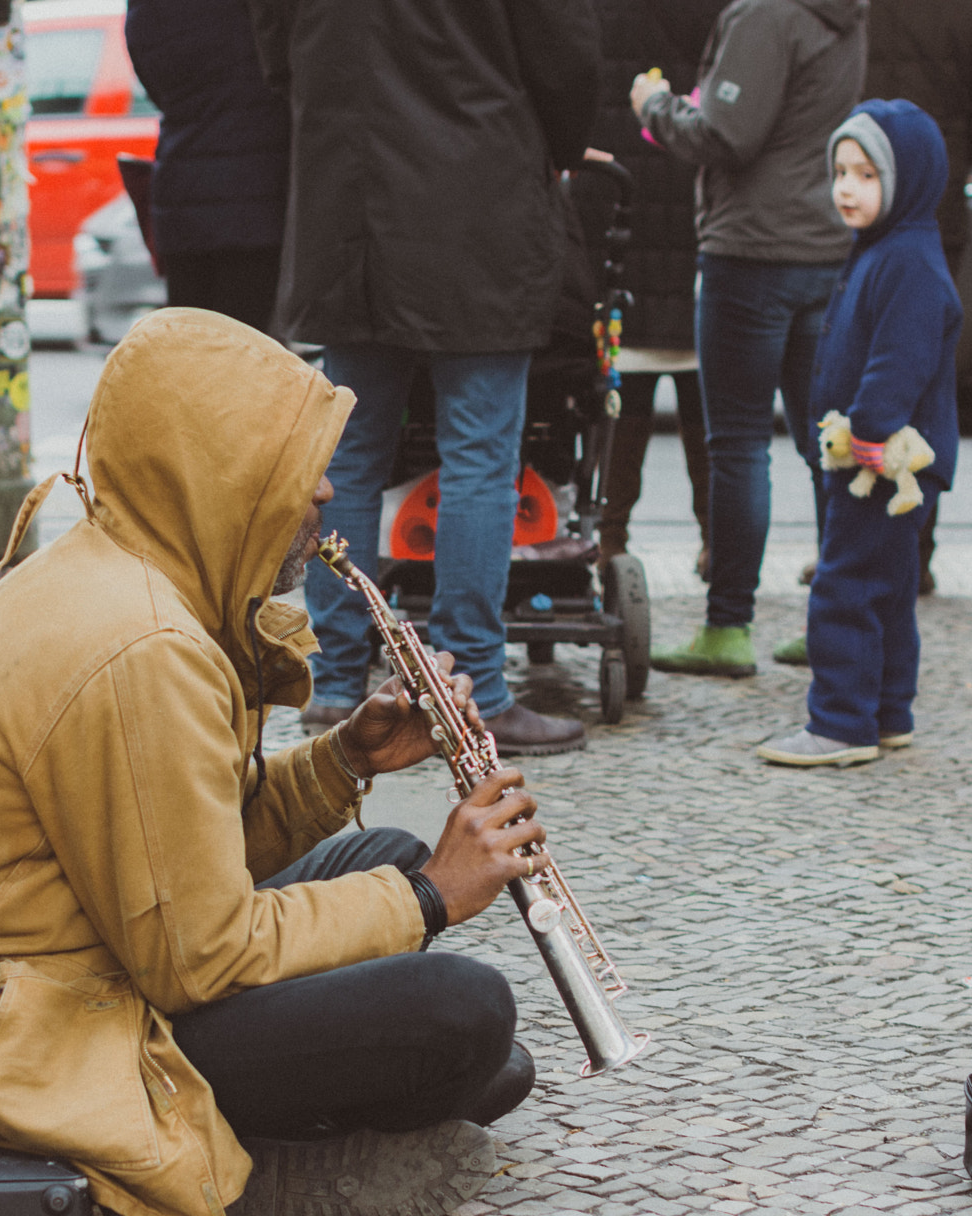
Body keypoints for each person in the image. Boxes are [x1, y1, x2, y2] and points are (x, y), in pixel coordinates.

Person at [0, 311, 544, 1216]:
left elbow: (174, 852)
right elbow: (200, 952)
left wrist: (347, 760)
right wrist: (434, 896)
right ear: (223, 476)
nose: (326, 489)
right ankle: (251, 1175)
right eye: (300, 466)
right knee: (467, 1012)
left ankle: (294, 1108)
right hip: (8, 1029)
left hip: (73, 957)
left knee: (389, 859)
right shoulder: (143, 644)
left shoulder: (124, 572)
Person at [251, 0, 600, 756]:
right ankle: (471, 683)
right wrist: (560, 143)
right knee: (479, 458)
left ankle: (337, 680)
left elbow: (275, 49)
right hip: (478, 196)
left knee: (350, 454)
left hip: (351, 199)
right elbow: (565, 52)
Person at [632, 0, 867, 679]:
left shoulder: (768, 13)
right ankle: (836, 625)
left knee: (737, 444)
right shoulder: (844, 13)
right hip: (822, 247)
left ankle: (728, 626)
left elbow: (728, 133)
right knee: (827, 442)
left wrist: (655, 105)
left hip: (751, 252)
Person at [758, 102, 960, 767]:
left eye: (866, 174)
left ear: (908, 181)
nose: (847, 186)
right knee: (888, 585)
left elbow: (900, 358)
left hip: (881, 459)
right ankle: (888, 709)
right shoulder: (887, 249)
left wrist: (870, 427)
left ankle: (842, 721)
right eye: (841, 170)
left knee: (845, 582)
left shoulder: (906, 260)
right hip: (881, 459)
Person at [859, 0, 972, 595]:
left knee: (856, 372)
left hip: (858, 203)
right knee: (923, 381)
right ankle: (913, 549)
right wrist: (943, 160)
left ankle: (854, 542)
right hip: (934, 210)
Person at [580, 0, 729, 569]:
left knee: (622, 387)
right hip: (705, 214)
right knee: (708, 399)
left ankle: (607, 539)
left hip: (619, 208)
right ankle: (719, 545)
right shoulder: (732, 14)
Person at [124, 0, 289, 335]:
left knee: (194, 352)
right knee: (246, 352)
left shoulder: (148, 10)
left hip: (180, 194)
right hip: (257, 196)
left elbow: (152, 77)